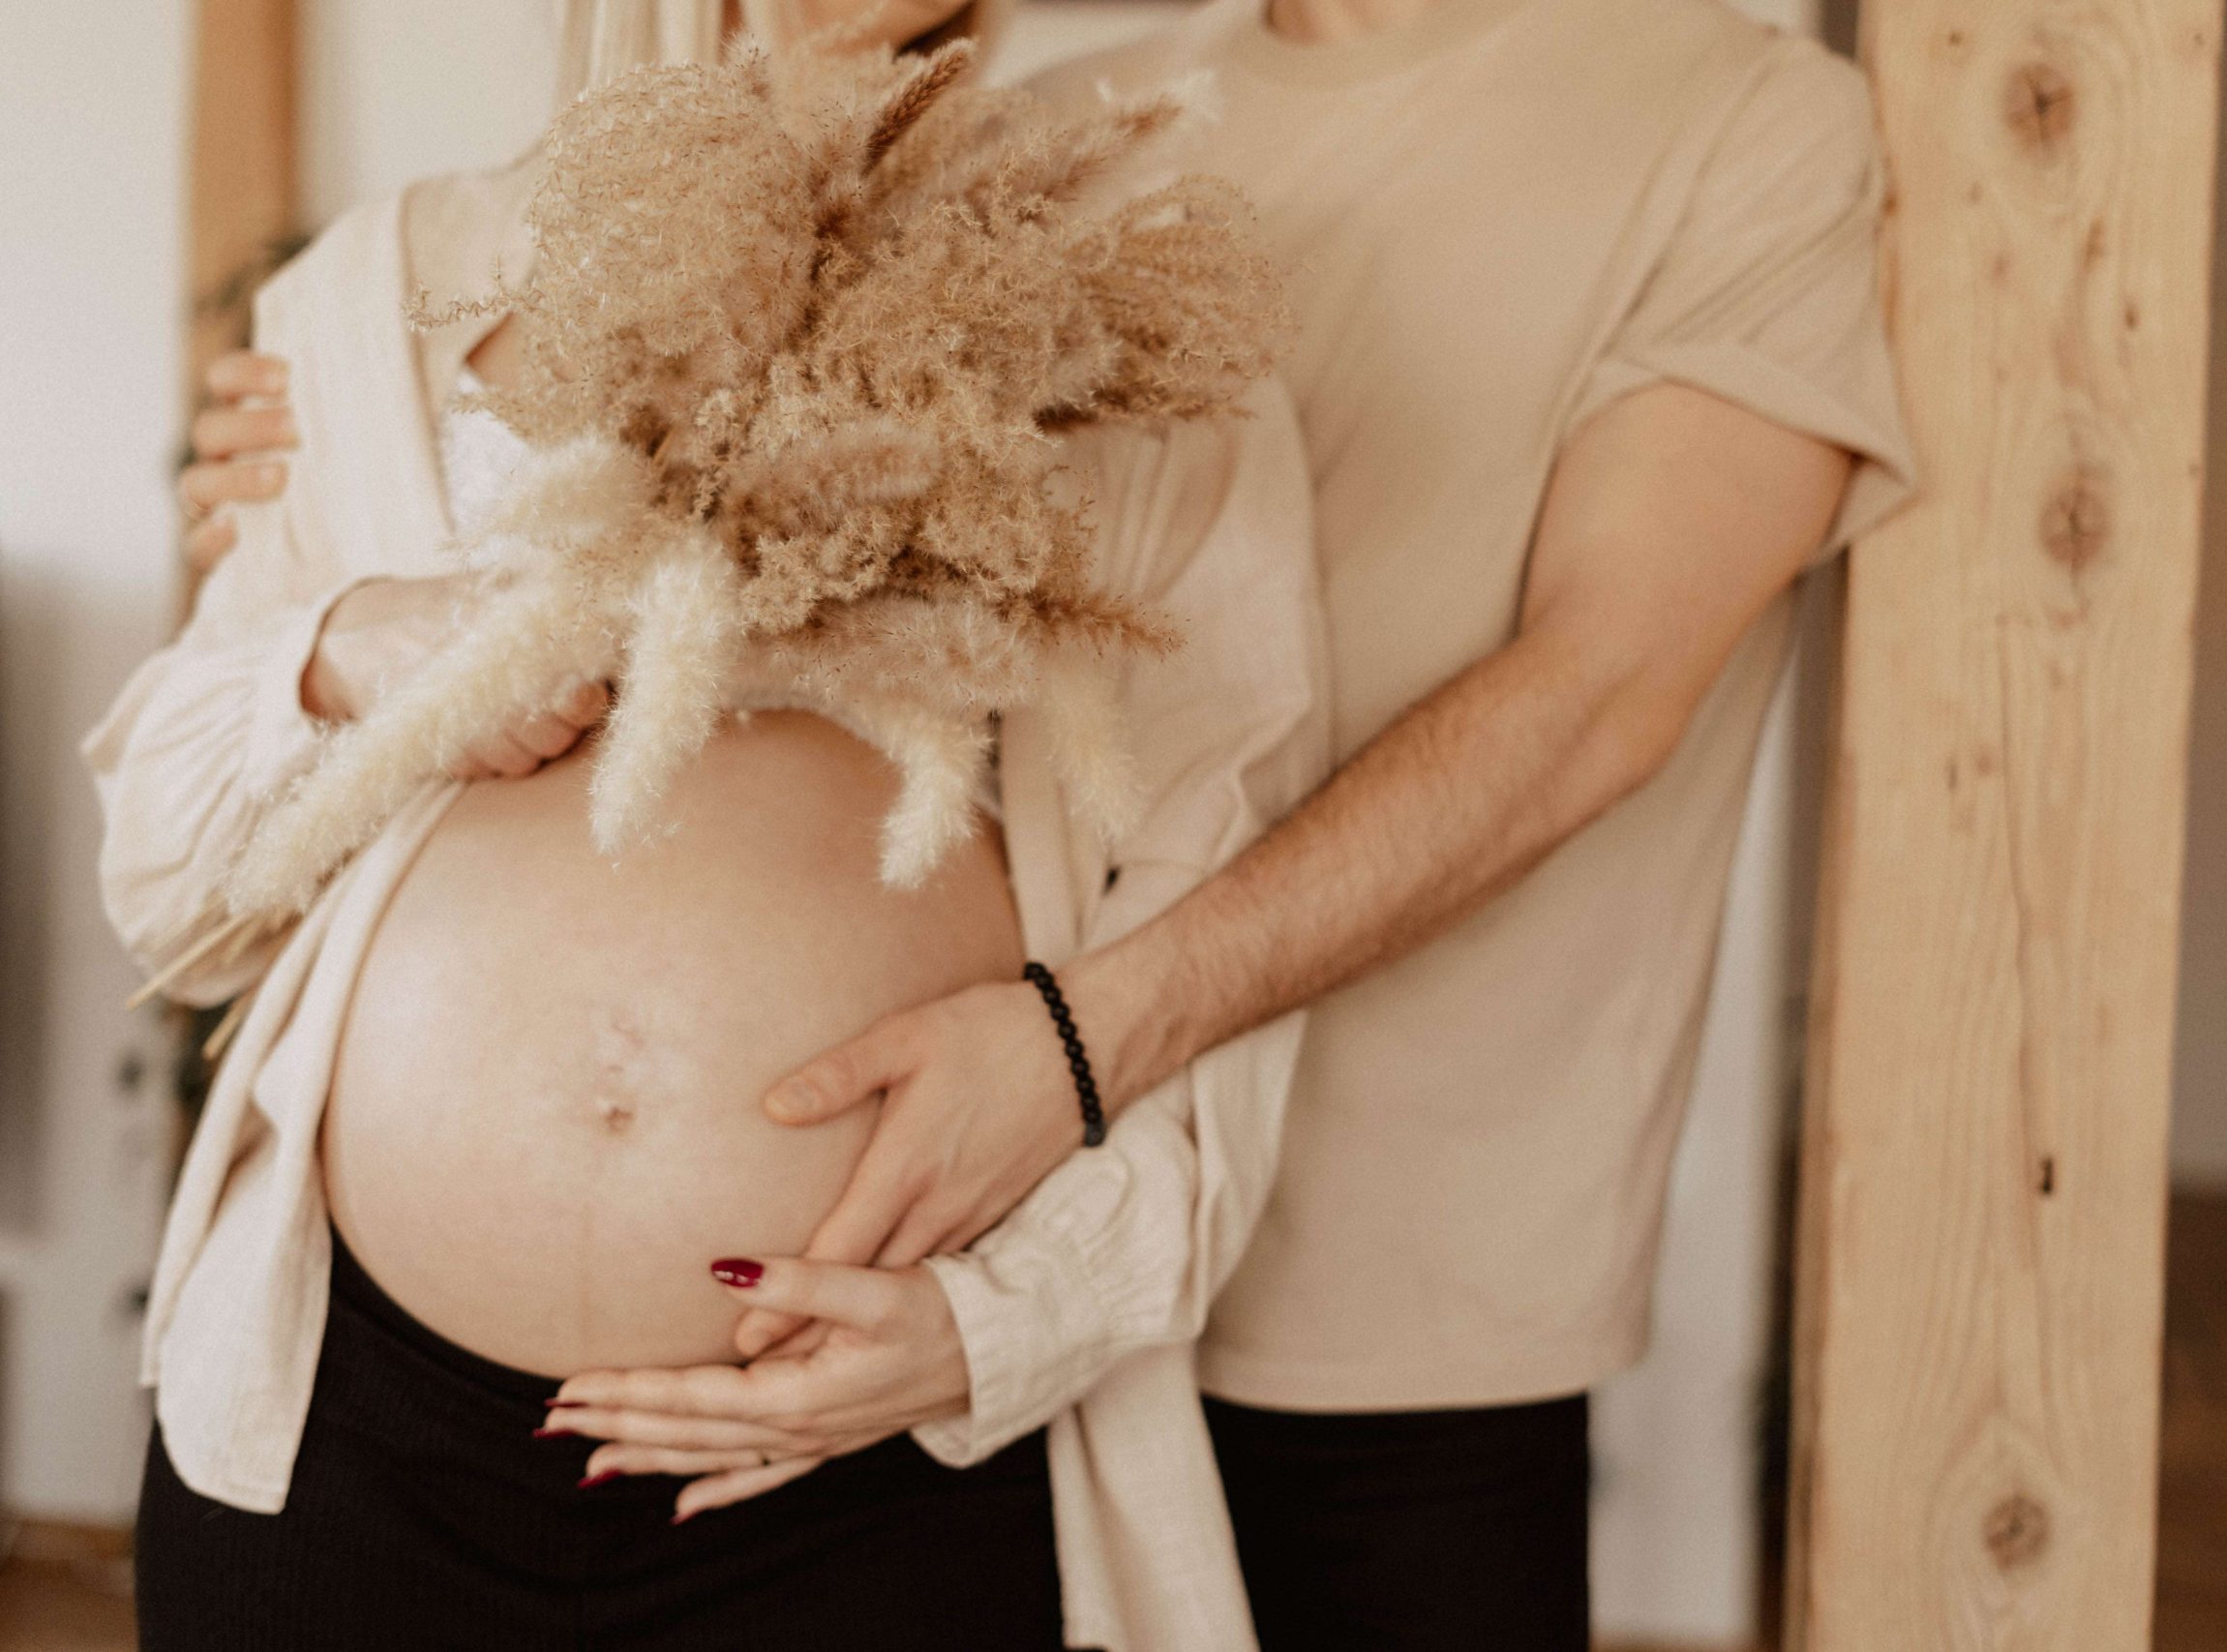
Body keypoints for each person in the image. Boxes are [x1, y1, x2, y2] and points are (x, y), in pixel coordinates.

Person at [187, 0, 1922, 1644]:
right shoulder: (1052, 128)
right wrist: (329, 458)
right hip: (981, 1293)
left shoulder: (1737, 117)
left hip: (1387, 1297)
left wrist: (1080, 1056)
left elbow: (1598, 697)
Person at [102, 2, 1328, 1648]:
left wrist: (999, 1321)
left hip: (868, 1454)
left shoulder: (1131, 313)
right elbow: (169, 892)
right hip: (358, 1435)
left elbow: (1229, 887)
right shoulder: (372, 289)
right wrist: (340, 651)